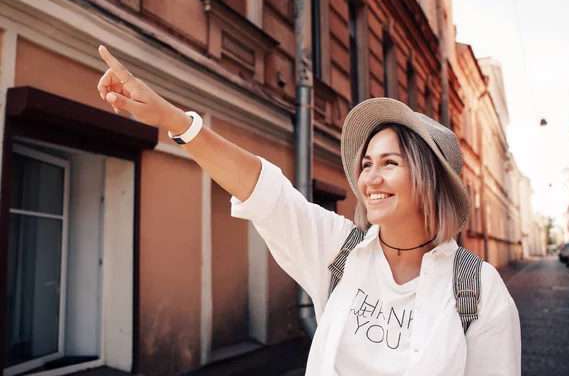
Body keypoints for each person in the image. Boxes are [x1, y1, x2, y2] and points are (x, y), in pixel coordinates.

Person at [97, 46, 521, 376]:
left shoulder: (478, 290)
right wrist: (173, 119)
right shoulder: (340, 251)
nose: (369, 178)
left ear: (430, 179)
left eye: (390, 163)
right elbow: (263, 189)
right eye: (366, 163)